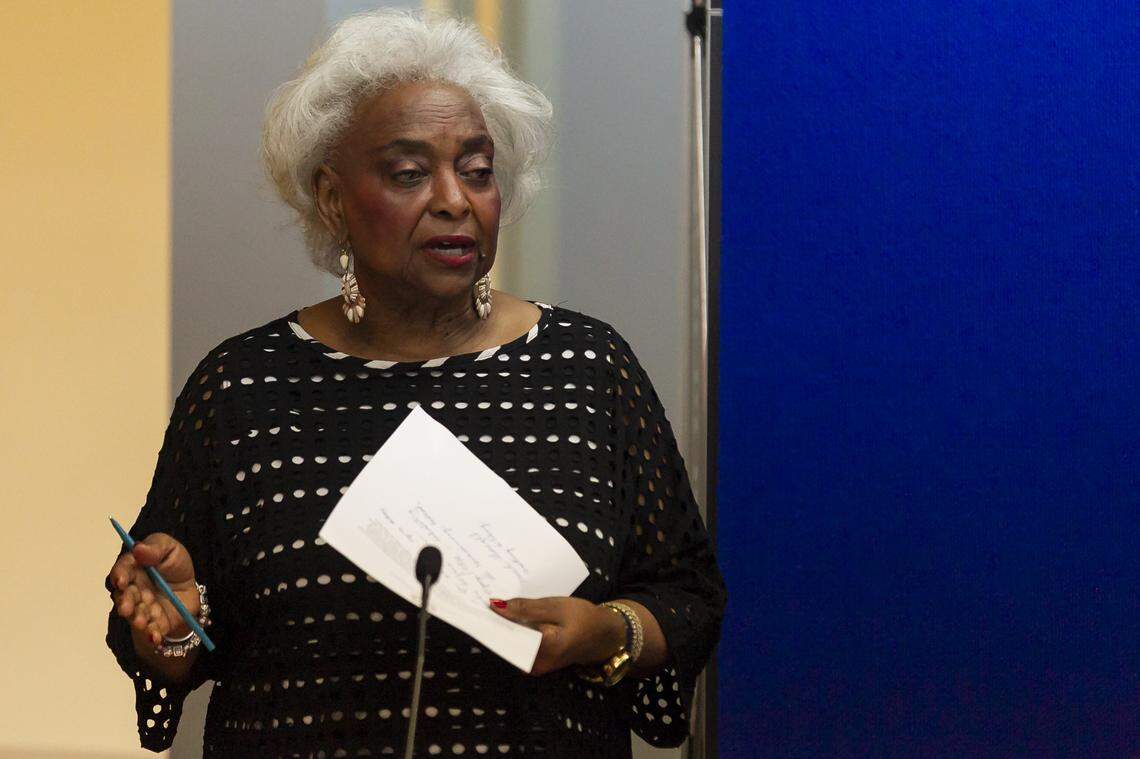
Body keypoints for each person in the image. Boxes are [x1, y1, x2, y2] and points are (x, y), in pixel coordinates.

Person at [105, 10, 725, 757]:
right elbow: (181, 644)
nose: (454, 199)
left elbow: (688, 599)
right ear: (333, 199)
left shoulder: (588, 370)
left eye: (476, 169)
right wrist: (173, 624)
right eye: (409, 173)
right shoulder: (242, 389)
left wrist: (608, 632)